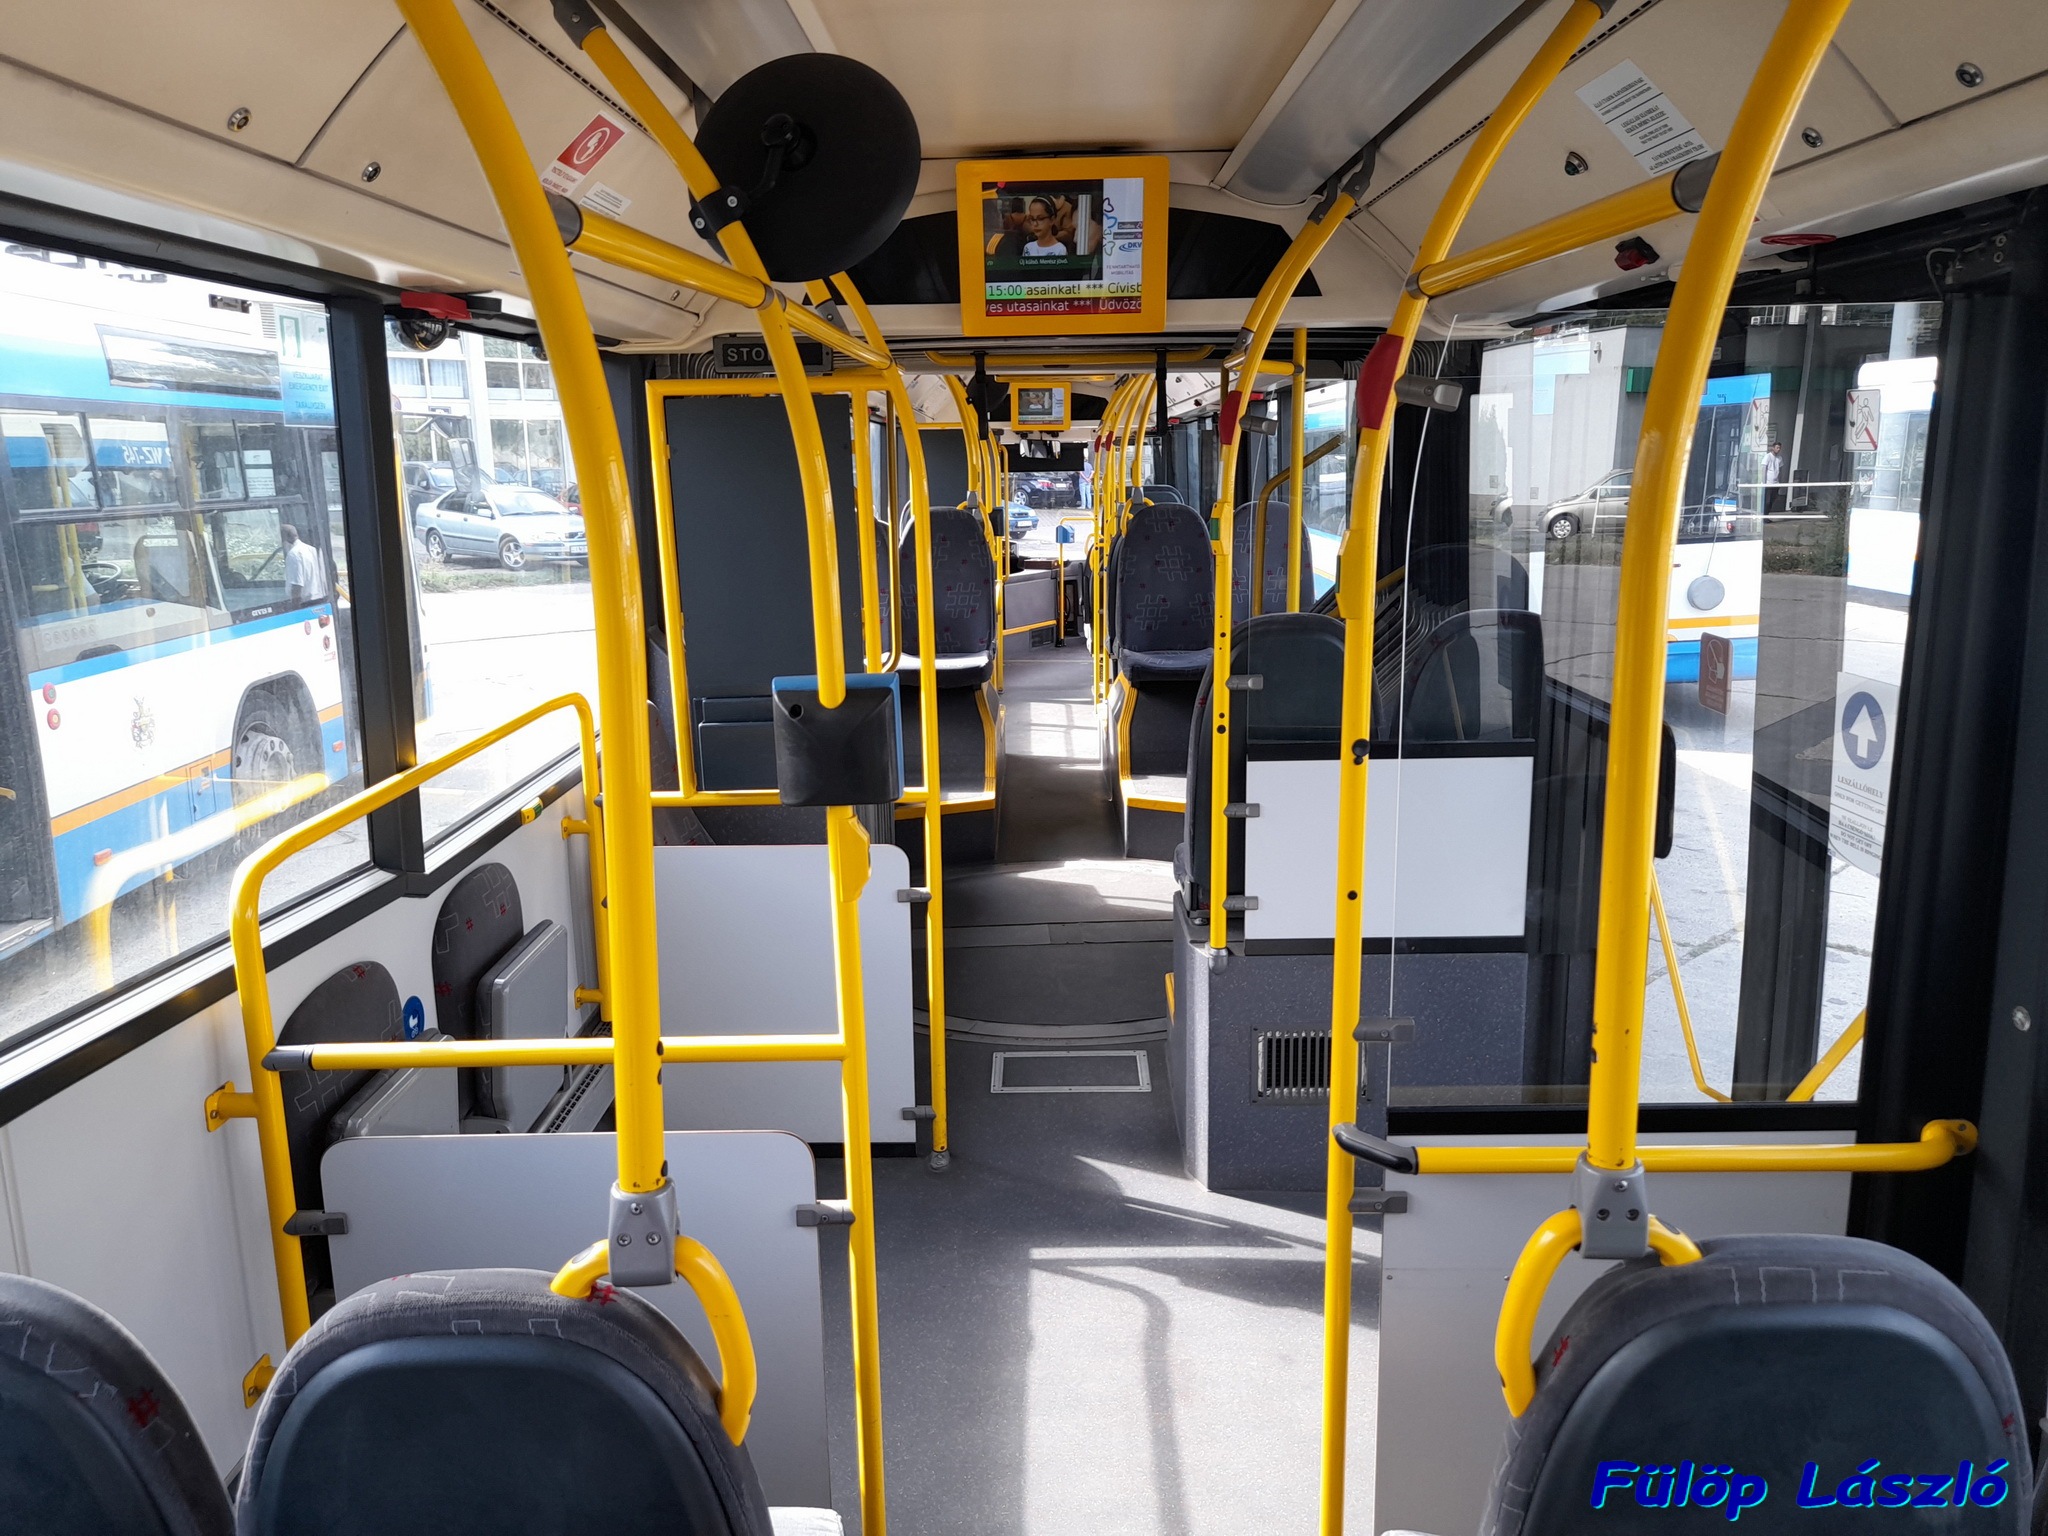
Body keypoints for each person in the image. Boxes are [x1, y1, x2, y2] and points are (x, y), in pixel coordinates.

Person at [283, 523, 328, 605]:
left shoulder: (293, 554)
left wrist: (295, 607)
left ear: (285, 537)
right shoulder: (311, 549)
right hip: (319, 599)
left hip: (304, 603)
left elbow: (297, 585)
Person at [1762, 439, 1785, 516]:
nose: (1778, 449)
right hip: (1768, 483)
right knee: (1767, 501)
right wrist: (1764, 482)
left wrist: (1780, 482)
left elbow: (1780, 470)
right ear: (1773, 448)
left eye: (1779, 448)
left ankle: (1766, 515)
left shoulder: (1779, 458)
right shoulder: (1768, 456)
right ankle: (1764, 516)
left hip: (1776, 483)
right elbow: (1764, 469)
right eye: (1777, 448)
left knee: (1772, 500)